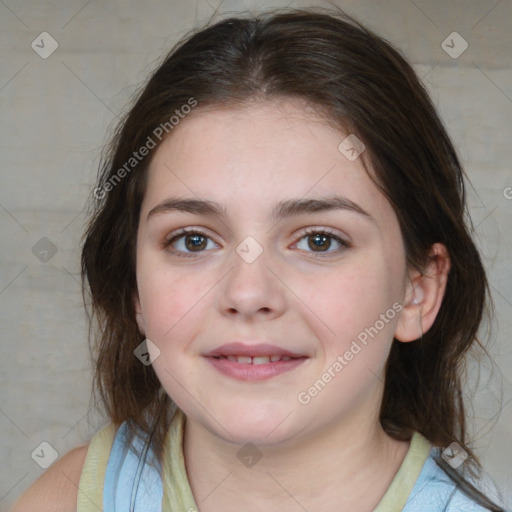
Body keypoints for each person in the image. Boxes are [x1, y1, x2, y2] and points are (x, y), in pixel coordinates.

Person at [11, 6, 510, 512]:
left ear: (417, 291)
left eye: (319, 241)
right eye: (193, 240)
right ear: (136, 289)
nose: (248, 294)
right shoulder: (68, 499)